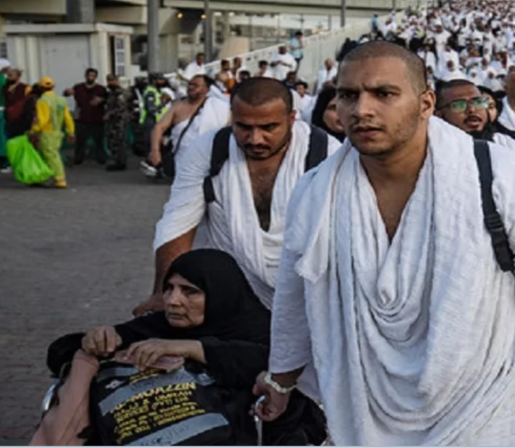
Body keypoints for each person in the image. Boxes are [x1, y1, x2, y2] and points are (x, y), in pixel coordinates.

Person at [258, 42, 515, 446]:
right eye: (349, 95)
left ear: (425, 103)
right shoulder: (317, 191)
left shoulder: (502, 176)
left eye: (384, 94)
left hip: (486, 399)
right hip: (361, 402)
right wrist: (281, 382)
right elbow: (296, 297)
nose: (362, 109)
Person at [41, 249, 326, 446]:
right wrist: (94, 339)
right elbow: (59, 353)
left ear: (219, 294)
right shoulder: (159, 326)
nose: (172, 300)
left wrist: (191, 348)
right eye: (169, 288)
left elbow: (271, 363)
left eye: (190, 291)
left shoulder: (260, 328)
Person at [136, 77, 342, 318]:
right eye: (244, 127)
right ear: (232, 117)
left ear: (291, 118)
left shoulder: (326, 154)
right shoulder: (209, 150)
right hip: (234, 294)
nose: (255, 139)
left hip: (309, 297)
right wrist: (162, 292)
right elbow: (177, 223)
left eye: (268, 128)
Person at [146, 75, 231, 177]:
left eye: (195, 85)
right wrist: (155, 151)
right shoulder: (178, 106)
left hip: (210, 161)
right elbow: (159, 128)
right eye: (189, 84)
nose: (191, 87)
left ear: (206, 89)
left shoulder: (219, 107)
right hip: (182, 160)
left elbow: (229, 128)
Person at [436, 78, 515, 158]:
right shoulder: (434, 150)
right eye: (460, 105)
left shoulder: (509, 145)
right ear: (438, 114)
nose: (472, 109)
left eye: (478, 102)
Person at [29, 77, 75, 189]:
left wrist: (33, 130)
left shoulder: (42, 101)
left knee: (51, 156)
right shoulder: (61, 100)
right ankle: (42, 177)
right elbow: (68, 118)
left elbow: (43, 120)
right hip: (57, 132)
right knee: (46, 155)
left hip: (47, 133)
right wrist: (70, 132)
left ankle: (59, 179)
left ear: (40, 87)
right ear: (53, 87)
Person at [68, 68, 107, 166]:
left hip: (97, 119)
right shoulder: (78, 87)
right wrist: (67, 92)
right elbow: (67, 93)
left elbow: (108, 100)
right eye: (89, 75)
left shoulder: (101, 89)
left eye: (93, 76)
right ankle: (78, 159)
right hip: (82, 119)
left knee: (99, 141)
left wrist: (101, 100)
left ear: (96, 77)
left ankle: (101, 159)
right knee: (80, 142)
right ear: (86, 75)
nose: (91, 77)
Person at [103, 74, 132, 171]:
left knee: (118, 141)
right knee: (113, 141)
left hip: (119, 121)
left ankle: (120, 162)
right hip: (113, 121)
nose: (110, 82)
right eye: (108, 80)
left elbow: (121, 107)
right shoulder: (111, 93)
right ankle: (116, 160)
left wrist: (109, 114)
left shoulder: (120, 93)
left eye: (112, 80)